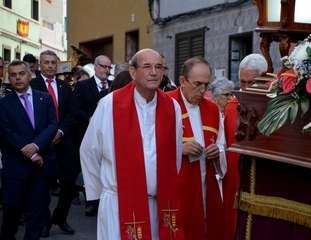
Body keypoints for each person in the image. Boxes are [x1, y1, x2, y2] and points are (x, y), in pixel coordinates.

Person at [80, 48, 185, 239]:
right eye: (147, 66)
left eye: (159, 67)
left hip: (158, 204)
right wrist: (98, 195)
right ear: (132, 71)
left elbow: (175, 153)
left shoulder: (172, 107)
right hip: (119, 204)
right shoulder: (109, 104)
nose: (154, 72)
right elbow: (89, 150)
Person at [167, 56, 227, 239]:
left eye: (206, 85)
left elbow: (222, 143)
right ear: (182, 81)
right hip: (177, 186)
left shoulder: (212, 109)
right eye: (197, 84)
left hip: (205, 184)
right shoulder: (165, 104)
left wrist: (218, 152)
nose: (202, 91)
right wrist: (180, 149)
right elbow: (149, 146)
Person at [0, 60, 57, 240]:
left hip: (40, 169)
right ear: (9, 77)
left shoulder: (44, 98)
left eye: (21, 73)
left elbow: (52, 125)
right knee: (11, 214)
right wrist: (32, 153)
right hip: (15, 168)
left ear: (30, 75)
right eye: (13, 75)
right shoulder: (4, 103)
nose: (17, 78)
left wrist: (37, 146)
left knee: (36, 215)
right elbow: (6, 132)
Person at [30, 50, 77, 237]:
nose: (50, 65)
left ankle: (60, 218)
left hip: (64, 142)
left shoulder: (65, 87)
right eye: (46, 62)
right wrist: (47, 134)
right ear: (40, 65)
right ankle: (44, 221)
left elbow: (72, 114)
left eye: (52, 62)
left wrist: (61, 131)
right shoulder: (32, 85)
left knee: (68, 184)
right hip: (42, 144)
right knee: (42, 187)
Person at [222, 53, 268, 239]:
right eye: (242, 82)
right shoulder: (231, 107)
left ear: (265, 78)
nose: (246, 88)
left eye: (252, 82)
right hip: (234, 182)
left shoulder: (275, 107)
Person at [73, 55, 112, 216]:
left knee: (105, 168)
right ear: (95, 67)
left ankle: (104, 200)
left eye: (108, 67)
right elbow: (75, 109)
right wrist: (89, 119)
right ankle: (91, 202)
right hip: (86, 133)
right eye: (103, 66)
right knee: (90, 168)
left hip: (107, 135)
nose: (106, 70)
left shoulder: (112, 86)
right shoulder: (83, 86)